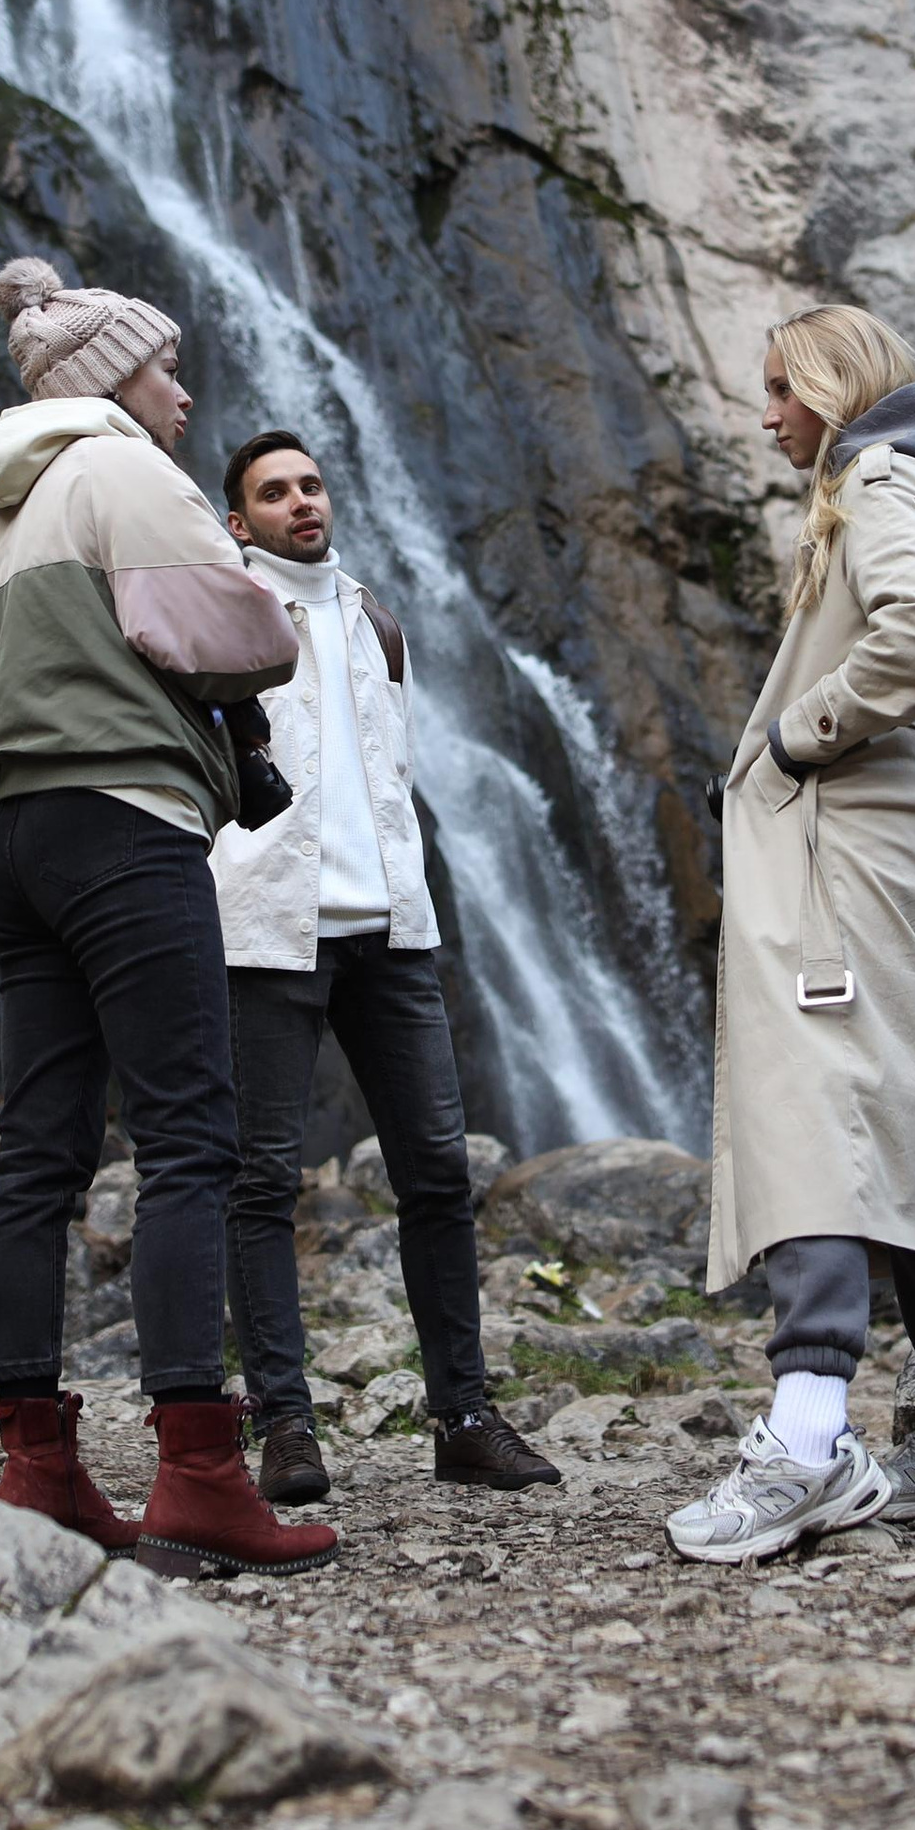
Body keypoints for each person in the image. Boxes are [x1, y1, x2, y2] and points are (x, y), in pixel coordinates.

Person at [0, 257, 337, 1577]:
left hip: (21, 837)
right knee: (189, 1137)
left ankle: (38, 1463)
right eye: (165, 368)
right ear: (115, 379)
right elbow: (242, 634)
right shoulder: (120, 471)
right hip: (126, 823)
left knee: (39, 1153)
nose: (183, 392)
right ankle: (199, 1473)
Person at [669, 304, 915, 1564]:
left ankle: (811, 1432)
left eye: (781, 388)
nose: (767, 413)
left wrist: (795, 732)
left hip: (849, 837)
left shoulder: (875, 474)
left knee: (812, 1100)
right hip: (908, 842)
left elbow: (914, 639)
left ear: (835, 387)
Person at [210, 429, 560, 1502]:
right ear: (239, 521)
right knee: (262, 1178)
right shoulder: (221, 612)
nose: (300, 502)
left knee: (438, 1173)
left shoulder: (377, 620)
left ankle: (462, 1413)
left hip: (395, 931)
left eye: (311, 484)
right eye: (274, 492)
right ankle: (284, 1425)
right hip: (268, 927)